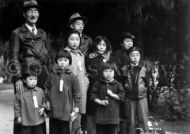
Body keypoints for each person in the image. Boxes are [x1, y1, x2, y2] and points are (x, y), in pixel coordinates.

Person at [9, 0, 50, 133]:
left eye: (36, 11)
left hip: (41, 77)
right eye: (30, 11)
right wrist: (18, 78)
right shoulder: (17, 33)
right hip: (25, 78)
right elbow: (13, 58)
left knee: (39, 111)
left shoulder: (43, 33)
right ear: (24, 14)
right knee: (22, 112)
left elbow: (47, 55)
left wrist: (49, 75)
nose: (33, 14)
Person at [44, 50, 81, 134]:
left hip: (66, 110)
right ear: (56, 61)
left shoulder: (72, 76)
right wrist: (46, 100)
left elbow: (77, 92)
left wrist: (77, 106)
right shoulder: (52, 75)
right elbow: (46, 88)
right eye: (60, 60)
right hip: (53, 110)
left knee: (65, 130)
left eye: (65, 60)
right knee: (53, 130)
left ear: (69, 62)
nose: (63, 63)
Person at [85, 35, 115, 134]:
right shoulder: (89, 57)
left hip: (104, 90)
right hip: (92, 89)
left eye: (104, 45)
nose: (101, 47)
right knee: (91, 112)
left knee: (102, 113)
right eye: (99, 44)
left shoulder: (108, 59)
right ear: (95, 46)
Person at [65, 29, 89, 134]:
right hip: (69, 91)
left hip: (81, 90)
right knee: (69, 116)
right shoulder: (65, 54)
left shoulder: (81, 55)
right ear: (67, 40)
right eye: (72, 39)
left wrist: (86, 82)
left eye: (77, 39)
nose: (75, 42)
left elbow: (83, 71)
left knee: (78, 116)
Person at [90, 62, 125, 134]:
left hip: (113, 117)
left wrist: (112, 94)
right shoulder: (98, 83)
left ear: (114, 72)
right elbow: (93, 96)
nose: (108, 74)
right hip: (100, 117)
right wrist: (100, 102)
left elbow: (122, 97)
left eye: (111, 71)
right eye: (105, 71)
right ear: (102, 72)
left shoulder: (118, 84)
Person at [123, 46, 149, 134]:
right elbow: (122, 83)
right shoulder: (124, 69)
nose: (135, 57)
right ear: (128, 57)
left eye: (137, 55)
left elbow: (147, 83)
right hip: (129, 98)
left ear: (140, 56)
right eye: (132, 55)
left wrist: (143, 91)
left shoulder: (144, 69)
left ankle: (144, 132)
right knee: (131, 120)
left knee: (143, 119)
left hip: (142, 98)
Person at [14, 65, 47, 134]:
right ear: (24, 80)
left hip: (38, 121)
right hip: (26, 121)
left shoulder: (40, 91)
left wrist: (43, 107)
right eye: (31, 79)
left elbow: (44, 101)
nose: (33, 81)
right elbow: (17, 105)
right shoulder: (20, 93)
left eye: (35, 79)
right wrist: (18, 116)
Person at [113, 32, 135, 134]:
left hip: (133, 87)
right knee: (122, 111)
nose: (129, 43)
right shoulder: (118, 53)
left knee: (132, 111)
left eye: (131, 41)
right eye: (127, 41)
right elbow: (118, 70)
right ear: (122, 43)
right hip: (121, 85)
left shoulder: (135, 53)